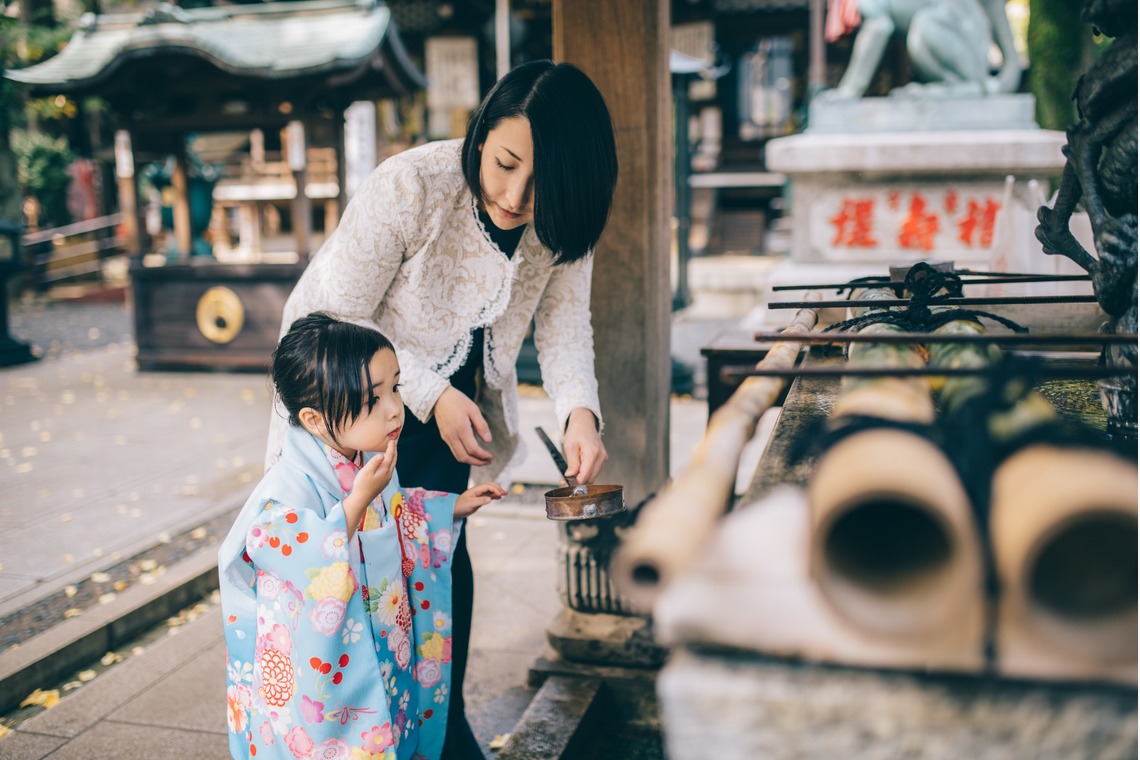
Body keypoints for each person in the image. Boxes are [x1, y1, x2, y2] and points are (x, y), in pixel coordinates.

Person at [267, 60, 619, 758]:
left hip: (455, 414)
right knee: (360, 572)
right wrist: (429, 393)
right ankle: (361, 736)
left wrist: (580, 412)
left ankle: (442, 728)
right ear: (482, 133)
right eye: (505, 163)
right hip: (355, 406)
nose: (517, 196)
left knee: (436, 560)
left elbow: (563, 325)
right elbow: (331, 316)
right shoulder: (414, 184)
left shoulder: (563, 220)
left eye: (542, 180)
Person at [221, 312, 506, 760]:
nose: (395, 408)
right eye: (373, 399)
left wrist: (450, 506)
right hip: (332, 675)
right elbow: (291, 552)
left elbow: (396, 511)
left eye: (396, 387)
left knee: (389, 724)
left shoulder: (364, 461)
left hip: (381, 647)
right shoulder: (286, 486)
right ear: (315, 419)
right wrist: (357, 501)